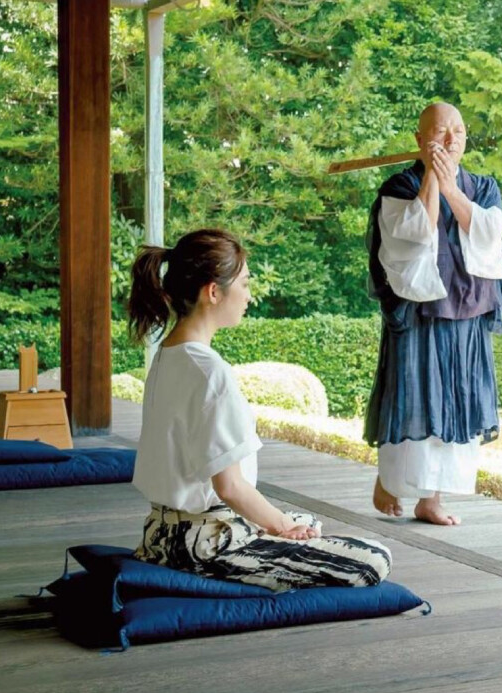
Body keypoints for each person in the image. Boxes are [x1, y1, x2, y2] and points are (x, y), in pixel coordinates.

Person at [128, 228, 392, 591]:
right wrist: (282, 528)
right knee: (373, 559)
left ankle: (280, 533)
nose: (249, 297)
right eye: (245, 284)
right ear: (214, 292)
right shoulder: (210, 372)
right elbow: (231, 487)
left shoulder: (167, 357)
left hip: (160, 534)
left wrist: (286, 523)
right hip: (205, 545)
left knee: (304, 520)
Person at [364, 102, 502, 526]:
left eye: (458, 133)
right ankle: (392, 480)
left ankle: (434, 497)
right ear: (419, 139)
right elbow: (413, 235)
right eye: (440, 132)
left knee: (457, 403)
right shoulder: (400, 185)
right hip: (418, 312)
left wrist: (451, 190)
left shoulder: (483, 187)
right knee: (413, 395)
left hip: (467, 311)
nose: (450, 141)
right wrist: (432, 179)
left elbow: (487, 232)